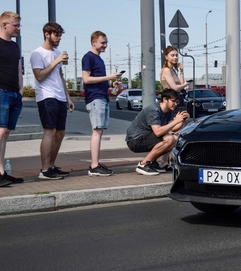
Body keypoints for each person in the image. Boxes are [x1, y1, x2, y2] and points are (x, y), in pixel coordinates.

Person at [30, 22, 74, 180]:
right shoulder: (37, 53)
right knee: (50, 131)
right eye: (56, 34)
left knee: (61, 132)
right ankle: (44, 169)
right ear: (47, 34)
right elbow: (40, 76)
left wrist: (68, 97)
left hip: (60, 96)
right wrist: (55, 61)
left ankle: (52, 166)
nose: (59, 38)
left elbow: (60, 76)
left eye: (60, 35)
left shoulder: (57, 52)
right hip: (46, 96)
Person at [82, 31, 122, 176]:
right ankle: (94, 166)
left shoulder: (99, 59)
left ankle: (96, 164)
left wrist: (111, 84)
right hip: (95, 98)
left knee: (99, 130)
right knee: (97, 130)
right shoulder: (89, 57)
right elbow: (86, 79)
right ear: (94, 42)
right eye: (102, 42)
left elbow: (97, 80)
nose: (105, 45)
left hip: (101, 97)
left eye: (106, 42)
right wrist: (108, 77)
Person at [125, 88, 190, 175]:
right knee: (169, 139)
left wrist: (183, 121)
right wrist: (176, 121)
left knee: (177, 138)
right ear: (165, 99)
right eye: (173, 101)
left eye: (176, 102)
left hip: (146, 137)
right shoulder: (154, 109)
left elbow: (174, 129)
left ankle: (152, 163)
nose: (175, 104)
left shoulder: (168, 111)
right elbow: (158, 132)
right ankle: (143, 164)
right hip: (135, 140)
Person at [0, 11, 24, 186]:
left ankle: (2, 172)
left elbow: (18, 69)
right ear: (4, 25)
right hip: (1, 92)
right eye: (15, 25)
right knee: (0, 132)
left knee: (6, 133)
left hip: (15, 93)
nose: (18, 28)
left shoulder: (15, 46)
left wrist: (21, 90)